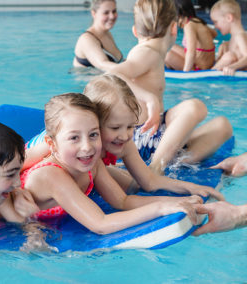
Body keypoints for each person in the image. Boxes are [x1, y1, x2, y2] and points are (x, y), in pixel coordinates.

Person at [21, 92, 202, 234]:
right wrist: (161, 208)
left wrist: (179, 201)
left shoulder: (92, 162)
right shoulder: (50, 176)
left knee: (130, 184)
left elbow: (123, 201)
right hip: (10, 219)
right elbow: (100, 224)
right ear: (52, 144)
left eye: (93, 135)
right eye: (74, 138)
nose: (87, 147)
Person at [25, 74, 224, 200]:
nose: (125, 135)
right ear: (95, 121)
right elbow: (19, 162)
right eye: (115, 127)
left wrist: (194, 188)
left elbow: (149, 181)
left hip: (90, 167)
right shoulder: (55, 144)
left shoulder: (124, 141)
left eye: (130, 126)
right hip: (39, 161)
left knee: (133, 186)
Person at [107, 0, 233, 174]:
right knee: (195, 107)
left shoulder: (153, 53)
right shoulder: (146, 52)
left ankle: (174, 161)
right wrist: (149, 98)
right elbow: (111, 74)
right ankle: (155, 168)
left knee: (222, 125)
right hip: (142, 138)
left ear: (135, 31)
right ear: (174, 28)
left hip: (155, 135)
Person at [165, 0, 217, 71]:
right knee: (169, 46)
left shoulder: (189, 26)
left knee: (167, 56)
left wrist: (186, 73)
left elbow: (191, 53)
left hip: (199, 67)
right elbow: (215, 34)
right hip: (205, 62)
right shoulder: (197, 21)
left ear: (178, 15)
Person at [73, 0, 124, 71]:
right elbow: (103, 65)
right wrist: (132, 69)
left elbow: (119, 63)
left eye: (114, 11)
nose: (112, 16)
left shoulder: (107, 33)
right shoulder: (86, 39)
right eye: (106, 13)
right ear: (94, 13)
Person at [210, 0, 247, 76]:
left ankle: (210, 73)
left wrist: (233, 67)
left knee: (229, 56)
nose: (215, 26)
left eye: (216, 22)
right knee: (224, 47)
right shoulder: (234, 37)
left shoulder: (239, 36)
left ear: (229, 18)